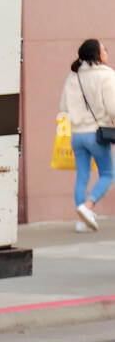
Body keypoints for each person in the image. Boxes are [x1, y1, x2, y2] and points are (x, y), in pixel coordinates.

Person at [59, 39, 115, 231]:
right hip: (97, 134)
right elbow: (113, 108)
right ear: (97, 54)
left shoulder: (73, 76)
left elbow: (63, 108)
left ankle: (81, 221)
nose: (107, 52)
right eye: (104, 49)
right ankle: (88, 207)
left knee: (82, 176)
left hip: (77, 135)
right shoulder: (106, 75)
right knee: (108, 173)